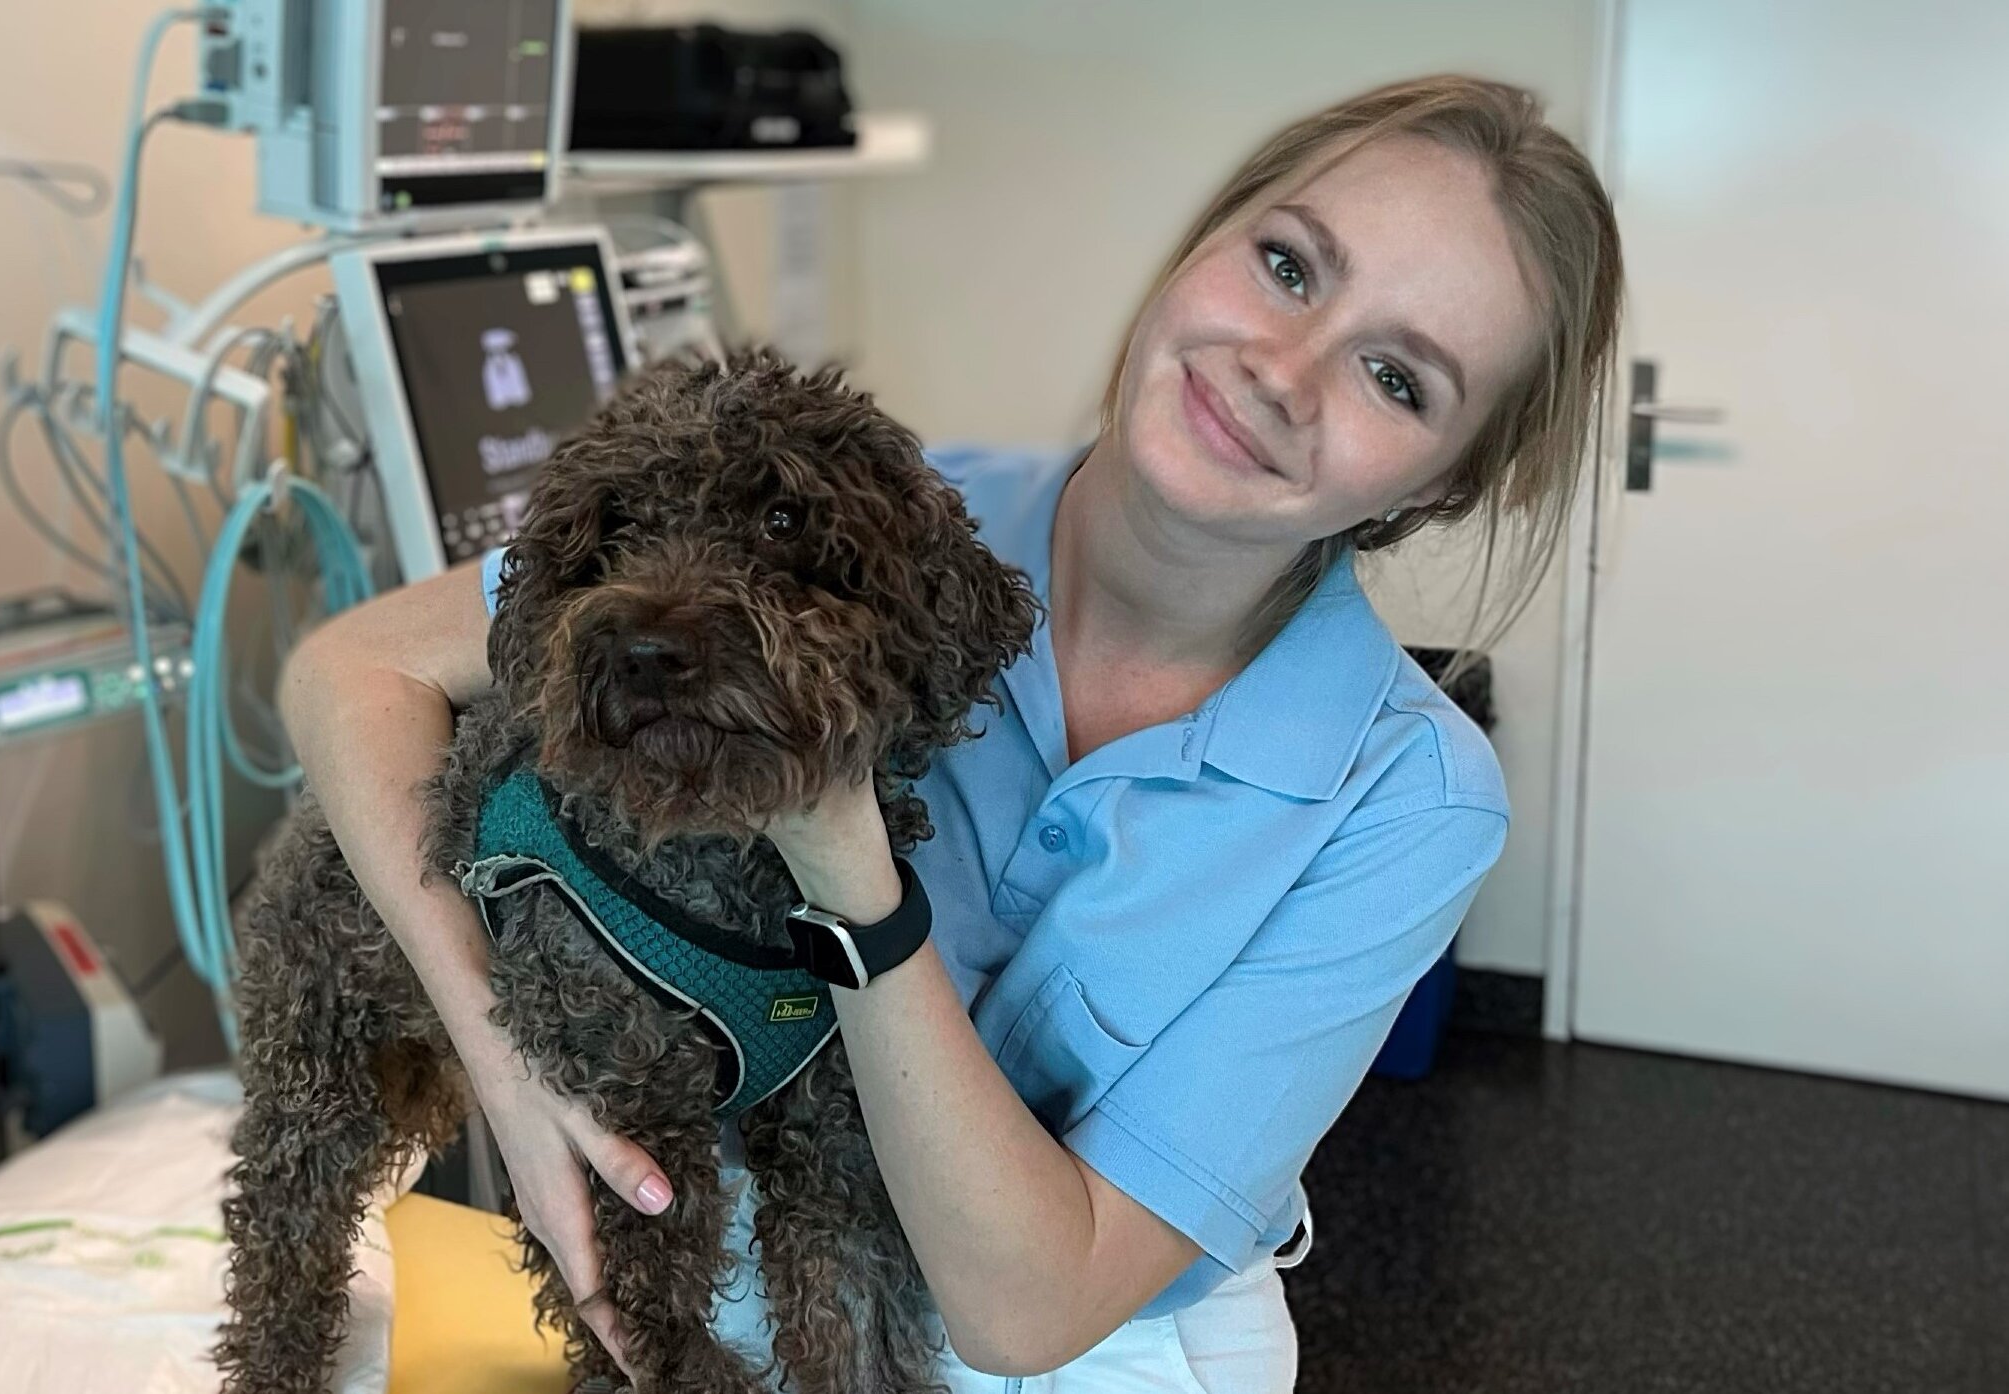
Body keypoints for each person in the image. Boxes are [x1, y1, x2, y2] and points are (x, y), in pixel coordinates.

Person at [279, 74, 1622, 1392]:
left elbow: (1024, 1314)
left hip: (1100, 1343)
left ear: (1444, 483)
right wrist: (505, 1061)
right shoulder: (879, 522)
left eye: (1396, 377)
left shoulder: (1409, 799)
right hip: (739, 1264)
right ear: (1202, 244)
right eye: (1285, 265)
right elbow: (354, 669)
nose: (1283, 370)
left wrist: (845, 861)